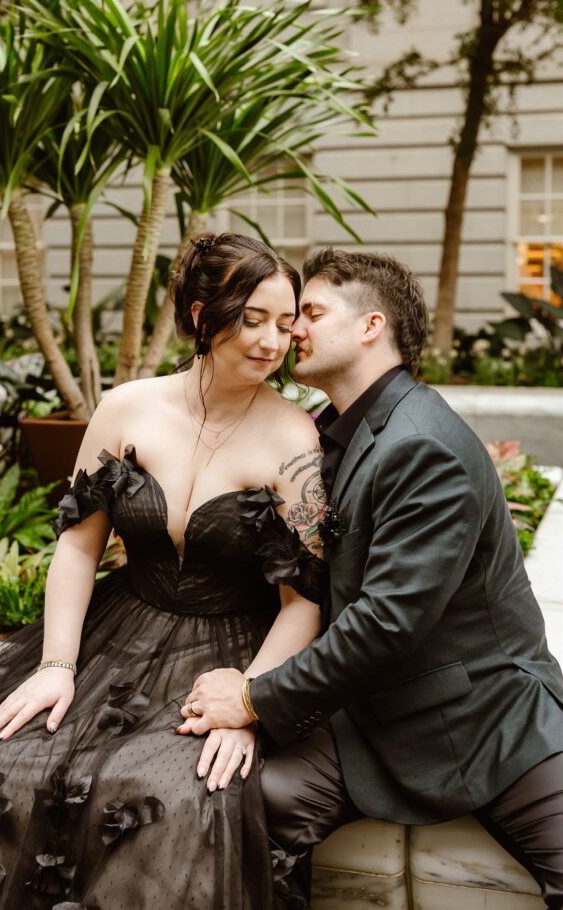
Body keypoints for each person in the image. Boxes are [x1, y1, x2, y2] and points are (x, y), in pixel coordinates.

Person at [0, 234, 328, 910]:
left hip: (231, 649)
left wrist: (248, 702)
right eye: (250, 318)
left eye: (284, 322)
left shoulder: (295, 437)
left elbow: (302, 602)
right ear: (202, 314)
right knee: (1, 757)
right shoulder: (126, 409)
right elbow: (78, 546)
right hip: (116, 632)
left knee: (167, 793)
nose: (271, 341)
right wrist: (57, 666)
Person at [180, 249, 563, 908]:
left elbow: (386, 623)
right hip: (362, 718)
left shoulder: (422, 445)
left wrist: (251, 700)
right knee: (239, 812)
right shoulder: (333, 430)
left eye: (310, 313)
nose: (290, 329)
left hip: (482, 720)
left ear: (369, 326)